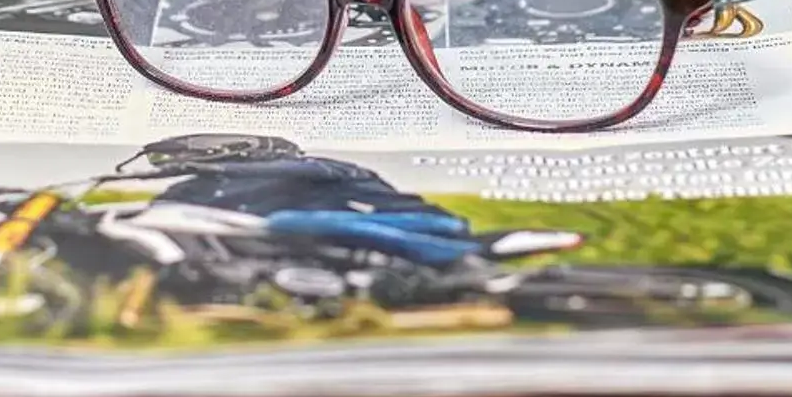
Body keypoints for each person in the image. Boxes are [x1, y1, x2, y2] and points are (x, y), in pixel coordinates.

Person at [113, 133, 573, 267]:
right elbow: (170, 209)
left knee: (291, 221)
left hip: (419, 223)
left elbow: (300, 172)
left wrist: (211, 166)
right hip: (283, 250)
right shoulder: (189, 192)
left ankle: (468, 255)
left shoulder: (314, 166)